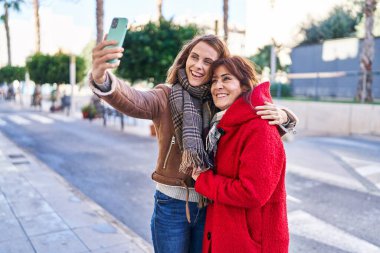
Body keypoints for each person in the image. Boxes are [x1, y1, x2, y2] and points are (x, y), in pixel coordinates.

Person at [90, 34, 296, 253]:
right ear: (185, 58)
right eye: (194, 57)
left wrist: (285, 115)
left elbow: (253, 121)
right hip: (172, 204)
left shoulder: (220, 99)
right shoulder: (166, 96)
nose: (198, 65)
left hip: (211, 205)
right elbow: (133, 99)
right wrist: (102, 78)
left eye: (208, 62)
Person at [192, 56, 289, 253]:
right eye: (214, 80)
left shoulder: (259, 127)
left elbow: (252, 193)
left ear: (245, 87)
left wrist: (204, 180)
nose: (217, 86)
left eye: (226, 79)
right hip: (229, 237)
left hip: (250, 245)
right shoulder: (224, 123)